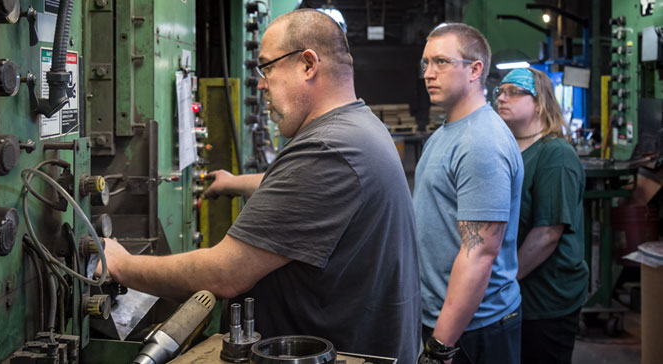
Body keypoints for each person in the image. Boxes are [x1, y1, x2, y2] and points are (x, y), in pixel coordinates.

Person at [96, 9, 421, 362]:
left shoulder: (328, 148)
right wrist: (236, 183)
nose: (260, 83)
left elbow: (225, 273)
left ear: (308, 64)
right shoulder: (358, 126)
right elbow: (304, 193)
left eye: (266, 67)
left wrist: (120, 264)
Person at [415, 23, 524, 364]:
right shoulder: (447, 132)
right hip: (447, 320)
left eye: (442, 62)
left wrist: (441, 346)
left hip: (474, 330)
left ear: (475, 69)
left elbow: (479, 254)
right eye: (426, 63)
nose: (429, 73)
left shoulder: (481, 142)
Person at [496, 67, 588, 364]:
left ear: (539, 102)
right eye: (499, 91)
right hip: (515, 295)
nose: (501, 97)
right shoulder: (508, 150)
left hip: (547, 298)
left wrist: (503, 282)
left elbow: (547, 234)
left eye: (513, 92)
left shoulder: (555, 154)